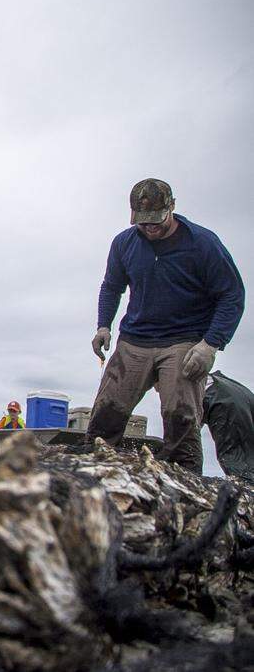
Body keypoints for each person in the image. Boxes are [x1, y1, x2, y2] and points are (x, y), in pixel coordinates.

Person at [87, 178, 245, 474]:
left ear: (171, 207)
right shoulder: (124, 243)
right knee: (106, 413)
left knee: (180, 416)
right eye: (143, 223)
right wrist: (103, 326)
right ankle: (95, 473)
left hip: (184, 341)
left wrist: (210, 344)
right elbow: (111, 287)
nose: (150, 228)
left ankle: (185, 480)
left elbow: (232, 295)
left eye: (156, 221)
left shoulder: (202, 244)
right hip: (135, 339)